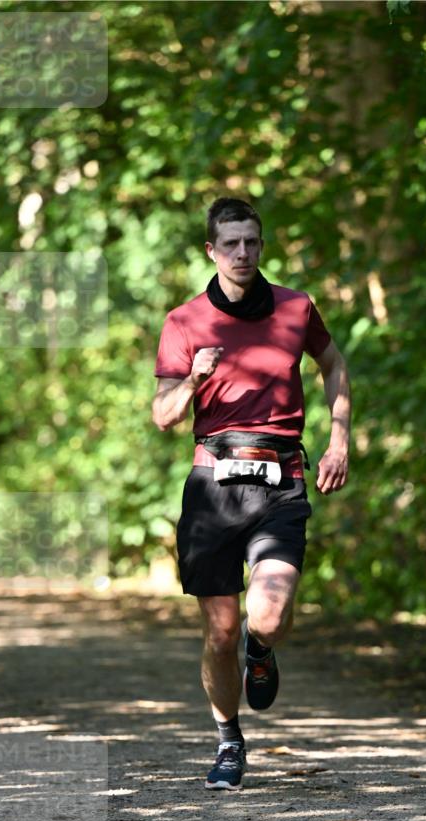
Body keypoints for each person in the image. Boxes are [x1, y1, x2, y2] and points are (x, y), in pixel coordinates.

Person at [152, 197, 350, 790]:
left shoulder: (295, 307)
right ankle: (228, 742)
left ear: (262, 245)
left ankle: (260, 650)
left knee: (268, 613)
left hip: (282, 478)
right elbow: (163, 414)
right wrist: (193, 378)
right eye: (231, 243)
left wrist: (340, 441)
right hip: (213, 485)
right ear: (210, 251)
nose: (243, 253)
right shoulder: (184, 322)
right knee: (217, 631)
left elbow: (333, 364)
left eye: (252, 242)